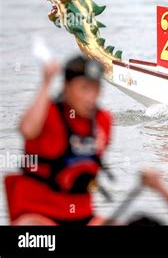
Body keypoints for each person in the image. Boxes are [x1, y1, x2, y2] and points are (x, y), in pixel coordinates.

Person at [4, 55, 113, 226]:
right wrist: (46, 81)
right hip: (39, 215)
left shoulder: (103, 120)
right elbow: (26, 129)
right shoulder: (48, 113)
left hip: (82, 215)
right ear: (66, 87)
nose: (91, 97)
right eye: (84, 88)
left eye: (96, 89)